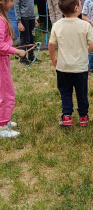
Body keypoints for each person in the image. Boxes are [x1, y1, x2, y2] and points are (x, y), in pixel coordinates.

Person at [48, 0, 93, 127]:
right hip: (80, 68)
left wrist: (53, 58)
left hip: (63, 67)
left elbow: (51, 44)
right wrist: (83, 51)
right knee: (82, 93)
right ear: (76, 8)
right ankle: (83, 117)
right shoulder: (85, 25)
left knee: (65, 92)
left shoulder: (57, 24)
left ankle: (67, 117)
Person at [0, 0, 26, 137]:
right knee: (6, 94)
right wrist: (16, 51)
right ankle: (2, 126)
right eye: (11, 0)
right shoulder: (1, 20)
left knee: (4, 93)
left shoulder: (3, 18)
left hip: (3, 61)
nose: (14, 2)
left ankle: (4, 120)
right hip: (1, 63)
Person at [14, 0, 39, 65]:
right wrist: (19, 21)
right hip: (23, 19)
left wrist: (35, 18)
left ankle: (31, 56)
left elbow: (32, 5)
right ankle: (23, 58)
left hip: (32, 18)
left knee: (32, 38)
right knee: (25, 39)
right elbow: (16, 6)